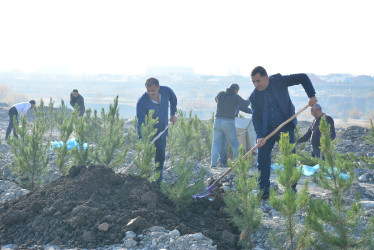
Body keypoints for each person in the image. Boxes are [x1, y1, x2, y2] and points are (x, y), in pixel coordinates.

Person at [250, 66, 317, 200]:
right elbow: (256, 118)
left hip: (286, 128)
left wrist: (312, 95)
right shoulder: (254, 97)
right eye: (253, 82)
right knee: (262, 161)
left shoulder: (279, 81)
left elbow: (302, 77)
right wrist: (260, 136)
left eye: (258, 81)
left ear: (266, 78)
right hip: (266, 132)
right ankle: (264, 192)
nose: (256, 85)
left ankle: (291, 192)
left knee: (289, 161)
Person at [136, 77, 177, 183]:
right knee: (147, 158)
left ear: (158, 87)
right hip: (149, 135)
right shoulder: (142, 102)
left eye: (153, 90)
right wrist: (143, 139)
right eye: (148, 90)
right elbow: (141, 122)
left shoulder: (166, 91)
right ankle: (145, 180)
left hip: (162, 133)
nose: (151, 93)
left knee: (160, 156)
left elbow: (173, 99)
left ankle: (157, 181)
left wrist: (172, 114)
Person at [211, 83, 250, 168]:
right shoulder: (235, 97)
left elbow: (216, 100)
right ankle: (237, 163)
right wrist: (250, 98)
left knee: (216, 143)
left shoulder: (220, 94)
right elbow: (246, 104)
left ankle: (214, 164)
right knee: (234, 143)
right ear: (236, 90)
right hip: (228, 121)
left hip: (217, 121)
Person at [219, 101, 252, 167]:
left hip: (233, 125)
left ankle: (240, 162)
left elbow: (245, 109)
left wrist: (256, 111)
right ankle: (223, 162)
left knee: (237, 143)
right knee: (224, 144)